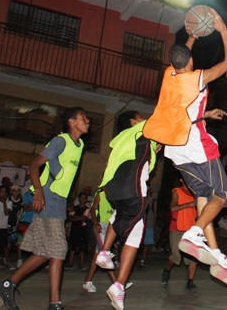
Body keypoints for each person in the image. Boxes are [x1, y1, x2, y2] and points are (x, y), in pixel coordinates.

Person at [143, 7, 227, 287]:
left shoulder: (170, 76)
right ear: (189, 63)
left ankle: (215, 253)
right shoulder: (195, 78)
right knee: (222, 194)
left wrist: (192, 37)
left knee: (204, 194)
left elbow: (181, 57)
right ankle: (194, 232)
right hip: (196, 143)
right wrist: (223, 30)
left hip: (175, 150)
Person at [0, 107, 89, 310]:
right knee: (59, 250)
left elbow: (64, 174)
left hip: (59, 201)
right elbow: (34, 164)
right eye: (83, 117)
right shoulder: (60, 141)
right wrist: (38, 191)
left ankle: (8, 283)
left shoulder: (79, 145)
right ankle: (54, 303)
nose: (87, 120)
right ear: (71, 121)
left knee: (47, 252)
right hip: (47, 198)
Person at [94, 110, 159, 310]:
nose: (143, 119)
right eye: (139, 117)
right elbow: (164, 117)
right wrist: (204, 113)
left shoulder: (122, 139)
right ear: (133, 121)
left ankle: (104, 252)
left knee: (119, 215)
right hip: (133, 189)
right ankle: (119, 285)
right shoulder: (142, 131)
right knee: (135, 235)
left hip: (113, 190)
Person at [82, 188, 131, 293]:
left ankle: (87, 282)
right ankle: (117, 284)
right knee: (105, 256)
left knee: (98, 255)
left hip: (111, 226)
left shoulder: (116, 193)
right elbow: (93, 208)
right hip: (101, 226)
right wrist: (95, 223)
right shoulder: (100, 194)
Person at [161, 176, 199, 292]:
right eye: (185, 178)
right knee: (176, 255)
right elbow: (172, 208)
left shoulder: (196, 194)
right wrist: (189, 204)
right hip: (177, 228)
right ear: (181, 179)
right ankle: (166, 271)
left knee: (193, 257)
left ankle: (190, 282)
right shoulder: (177, 191)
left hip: (191, 229)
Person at [65, 192, 89, 270]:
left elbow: (84, 218)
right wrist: (79, 218)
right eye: (81, 197)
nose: (82, 199)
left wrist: (75, 216)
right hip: (74, 229)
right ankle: (70, 263)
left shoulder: (87, 209)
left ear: (86, 199)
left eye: (84, 198)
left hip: (82, 229)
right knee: (72, 246)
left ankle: (81, 264)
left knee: (82, 247)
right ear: (78, 199)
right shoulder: (74, 208)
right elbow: (69, 218)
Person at [139, 183, 157, 269]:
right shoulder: (140, 198)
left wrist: (153, 223)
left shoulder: (153, 200)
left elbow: (155, 213)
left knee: (146, 242)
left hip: (148, 221)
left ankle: (142, 259)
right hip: (140, 222)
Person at [15, 189, 34, 268]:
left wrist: (31, 205)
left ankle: (35, 261)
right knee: (20, 241)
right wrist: (37, 205)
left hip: (36, 221)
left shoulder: (44, 193)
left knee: (38, 242)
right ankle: (19, 260)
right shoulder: (27, 194)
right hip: (25, 220)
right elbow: (26, 208)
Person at [7, 185, 23, 264]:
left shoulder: (21, 201)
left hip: (15, 224)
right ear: (11, 191)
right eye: (14, 190)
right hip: (6, 224)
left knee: (17, 242)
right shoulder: (8, 200)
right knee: (7, 242)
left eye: (18, 190)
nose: (16, 192)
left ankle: (18, 259)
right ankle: (6, 259)